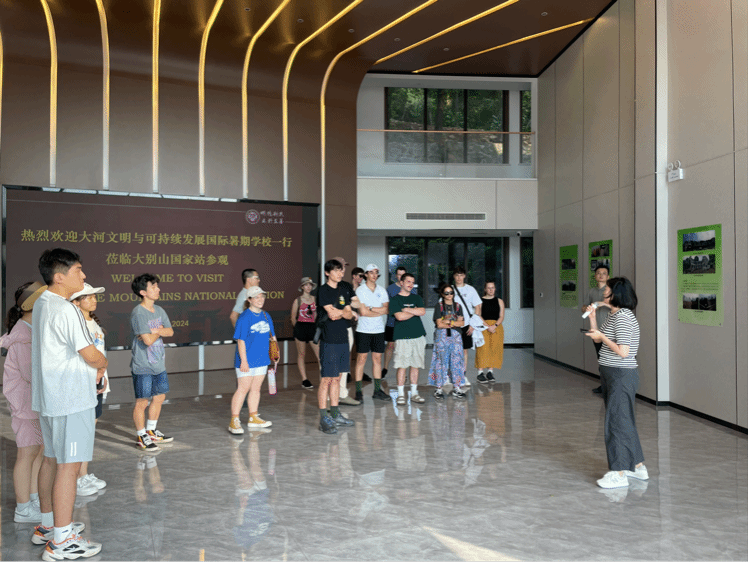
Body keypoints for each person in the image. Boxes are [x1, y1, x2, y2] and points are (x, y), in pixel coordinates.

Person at [31, 248, 107, 558]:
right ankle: (62, 541)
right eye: (78, 270)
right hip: (71, 398)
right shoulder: (65, 309)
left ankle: (49, 525)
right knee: (69, 466)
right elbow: (90, 353)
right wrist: (103, 363)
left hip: (51, 397)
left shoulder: (42, 303)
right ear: (60, 276)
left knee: (51, 460)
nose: (84, 275)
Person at [584, 277, 647, 489]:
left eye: (607, 290)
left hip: (621, 375)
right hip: (611, 373)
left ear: (616, 294)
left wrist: (602, 337)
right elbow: (597, 339)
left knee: (616, 423)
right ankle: (637, 467)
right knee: (624, 421)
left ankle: (618, 473)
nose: (604, 292)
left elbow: (623, 351)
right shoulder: (614, 315)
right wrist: (593, 319)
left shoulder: (624, 318)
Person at [1, 281, 46, 523]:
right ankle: (23, 508)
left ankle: (33, 498)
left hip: (34, 404)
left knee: (36, 451)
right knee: (26, 454)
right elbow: (31, 374)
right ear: (33, 304)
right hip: (25, 405)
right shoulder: (22, 337)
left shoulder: (30, 331)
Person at [69, 283, 109, 496]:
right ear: (76, 302)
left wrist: (103, 375)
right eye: (88, 297)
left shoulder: (93, 322)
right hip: (84, 383)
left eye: (94, 296)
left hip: (97, 383)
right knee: (81, 431)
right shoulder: (76, 324)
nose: (94, 300)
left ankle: (83, 474)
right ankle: (76, 478)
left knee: (90, 430)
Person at [130, 274, 174, 452]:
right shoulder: (138, 312)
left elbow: (170, 331)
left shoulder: (159, 310)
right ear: (143, 292)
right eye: (153, 287)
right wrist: (159, 331)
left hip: (159, 364)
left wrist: (155, 331)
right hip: (143, 365)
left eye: (157, 286)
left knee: (159, 397)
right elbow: (147, 341)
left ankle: (151, 431)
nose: (158, 289)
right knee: (142, 401)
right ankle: (141, 436)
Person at [316, 259, 356, 434]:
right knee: (327, 379)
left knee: (338, 378)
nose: (340, 273)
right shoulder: (323, 291)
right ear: (327, 273)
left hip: (343, 338)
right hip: (329, 339)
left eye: (341, 270)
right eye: (336, 270)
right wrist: (344, 313)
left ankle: (335, 413)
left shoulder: (344, 288)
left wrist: (344, 313)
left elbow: (348, 313)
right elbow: (332, 314)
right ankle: (323, 417)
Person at [229, 286, 277, 433]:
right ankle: (234, 420)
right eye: (256, 297)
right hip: (246, 360)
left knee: (256, 389)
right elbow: (241, 341)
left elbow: (272, 337)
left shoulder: (266, 315)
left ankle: (253, 417)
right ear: (249, 300)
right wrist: (244, 361)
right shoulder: (244, 317)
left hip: (262, 359)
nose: (260, 299)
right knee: (243, 389)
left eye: (262, 296)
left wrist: (276, 353)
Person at [389, 273, 427, 406]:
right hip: (402, 337)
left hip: (418, 336)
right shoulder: (395, 300)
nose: (410, 284)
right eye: (408, 282)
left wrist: (407, 310)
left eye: (412, 282)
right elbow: (399, 317)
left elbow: (422, 312)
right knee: (402, 366)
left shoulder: (417, 297)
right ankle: (400, 395)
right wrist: (414, 310)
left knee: (415, 365)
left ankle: (414, 393)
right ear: (401, 283)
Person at [354, 264, 390, 401]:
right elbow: (362, 312)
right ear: (366, 275)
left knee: (377, 359)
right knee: (361, 359)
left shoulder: (382, 290)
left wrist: (371, 309)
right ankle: (358, 392)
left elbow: (386, 310)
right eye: (371, 272)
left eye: (376, 273)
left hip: (378, 330)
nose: (374, 275)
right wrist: (378, 310)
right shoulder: (360, 290)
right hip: (363, 330)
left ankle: (377, 390)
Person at [330, 256, 361, 406]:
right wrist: (347, 309)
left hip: (346, 328)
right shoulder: (327, 287)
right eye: (339, 266)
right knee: (331, 362)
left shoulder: (347, 286)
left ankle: (342, 394)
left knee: (344, 361)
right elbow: (331, 309)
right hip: (331, 329)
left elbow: (357, 303)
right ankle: (329, 398)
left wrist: (348, 305)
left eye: (344, 266)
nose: (342, 269)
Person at [428, 282, 467, 399]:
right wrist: (454, 323)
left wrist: (448, 321)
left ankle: (457, 387)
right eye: (447, 293)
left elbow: (462, 323)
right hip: (442, 337)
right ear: (442, 294)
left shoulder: (458, 306)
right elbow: (439, 324)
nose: (449, 295)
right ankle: (438, 388)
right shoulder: (439, 306)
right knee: (440, 362)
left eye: (451, 292)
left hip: (456, 337)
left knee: (456, 362)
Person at [452, 266, 482, 387]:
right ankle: (452, 375)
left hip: (466, 325)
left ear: (464, 276)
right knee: (452, 350)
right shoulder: (450, 289)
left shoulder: (470, 290)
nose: (459, 278)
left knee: (464, 350)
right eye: (457, 275)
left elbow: (478, 307)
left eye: (461, 275)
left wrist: (473, 324)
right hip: (453, 325)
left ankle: (463, 375)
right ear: (454, 276)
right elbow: (442, 305)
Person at [584, 264, 611, 394]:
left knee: (609, 360)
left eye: (604, 273)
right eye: (598, 273)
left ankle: (610, 386)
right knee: (601, 359)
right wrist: (588, 308)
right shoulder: (592, 291)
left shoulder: (611, 290)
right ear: (595, 276)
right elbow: (584, 307)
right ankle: (604, 385)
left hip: (609, 331)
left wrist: (602, 303)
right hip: (596, 330)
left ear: (608, 276)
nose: (601, 275)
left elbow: (617, 306)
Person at [290, 277, 319, 390]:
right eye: (306, 285)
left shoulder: (315, 299)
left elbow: (317, 315)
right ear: (302, 287)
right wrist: (297, 328)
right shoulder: (297, 300)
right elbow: (293, 317)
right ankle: (304, 379)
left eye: (310, 285)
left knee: (319, 354)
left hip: (312, 327)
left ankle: (324, 377)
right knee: (301, 354)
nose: (308, 287)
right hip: (301, 327)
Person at [475, 281, 505, 383]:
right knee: (482, 349)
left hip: (496, 328)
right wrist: (487, 326)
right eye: (489, 288)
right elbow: (478, 315)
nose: (491, 290)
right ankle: (480, 373)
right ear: (485, 289)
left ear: (495, 289)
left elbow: (501, 316)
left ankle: (490, 372)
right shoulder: (480, 301)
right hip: (483, 327)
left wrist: (494, 326)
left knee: (494, 349)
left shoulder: (499, 301)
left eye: (492, 287)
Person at [383, 266, 409, 378]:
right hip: (392, 322)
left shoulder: (410, 288)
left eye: (403, 275)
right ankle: (385, 368)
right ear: (396, 276)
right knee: (390, 345)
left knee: (404, 348)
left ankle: (403, 371)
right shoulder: (390, 289)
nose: (401, 276)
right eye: (399, 274)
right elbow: (386, 306)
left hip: (405, 323)